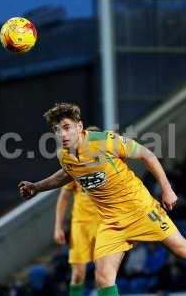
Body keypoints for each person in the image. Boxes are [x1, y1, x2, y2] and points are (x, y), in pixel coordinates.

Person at [18, 103, 186, 296]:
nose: (62, 134)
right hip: (111, 223)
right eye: (57, 130)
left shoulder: (104, 141)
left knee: (184, 251)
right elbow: (66, 174)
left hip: (140, 210)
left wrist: (167, 190)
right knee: (103, 277)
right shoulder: (64, 155)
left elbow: (147, 155)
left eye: (66, 127)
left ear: (79, 126)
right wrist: (37, 187)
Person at [54, 125, 101, 296]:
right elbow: (63, 198)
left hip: (104, 224)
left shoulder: (110, 165)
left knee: (103, 274)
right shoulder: (76, 166)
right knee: (78, 274)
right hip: (80, 225)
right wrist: (58, 227)